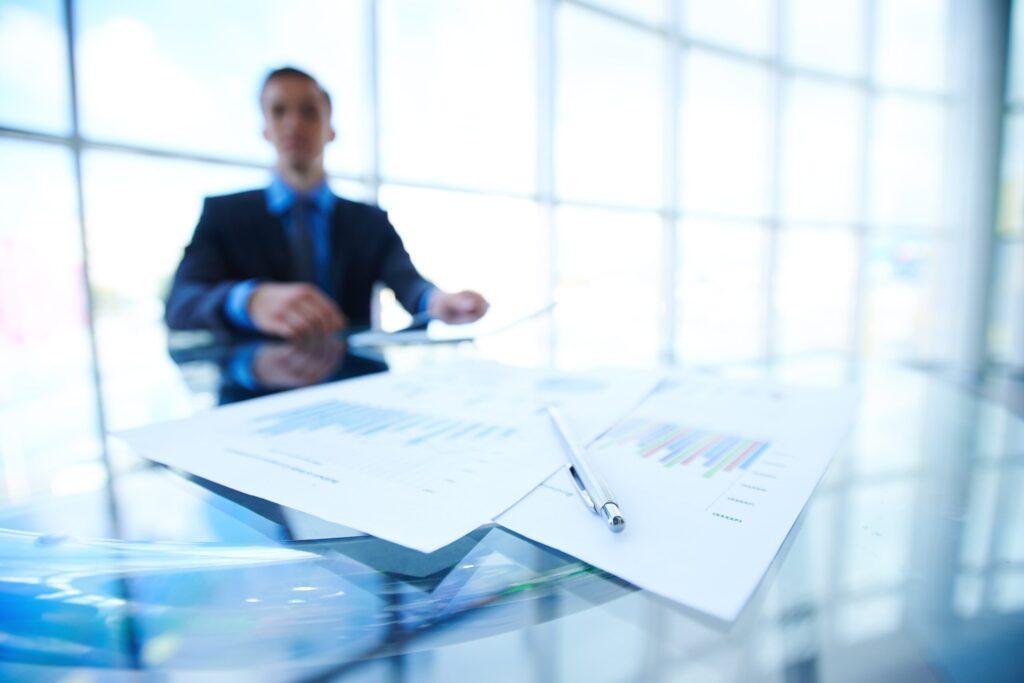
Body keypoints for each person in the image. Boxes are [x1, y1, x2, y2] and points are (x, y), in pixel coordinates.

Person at [165, 66, 488, 338]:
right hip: (253, 397)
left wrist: (438, 301)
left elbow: (408, 283)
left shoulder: (369, 221)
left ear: (330, 128)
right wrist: (248, 300)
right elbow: (180, 303)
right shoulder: (224, 216)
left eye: (308, 111)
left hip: (353, 390)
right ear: (265, 128)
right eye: (279, 111)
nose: (293, 123)